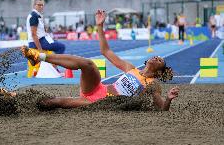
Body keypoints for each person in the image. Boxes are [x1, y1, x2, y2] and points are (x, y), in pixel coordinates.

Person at [20, 10, 179, 111]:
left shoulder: (153, 85)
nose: (156, 57)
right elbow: (105, 51)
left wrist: (169, 100)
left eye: (160, 60)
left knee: (58, 102)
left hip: (101, 103)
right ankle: (39, 57)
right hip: (97, 88)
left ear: (159, 71)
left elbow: (162, 108)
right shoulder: (132, 69)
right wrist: (100, 26)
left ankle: (21, 101)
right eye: (156, 56)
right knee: (88, 64)